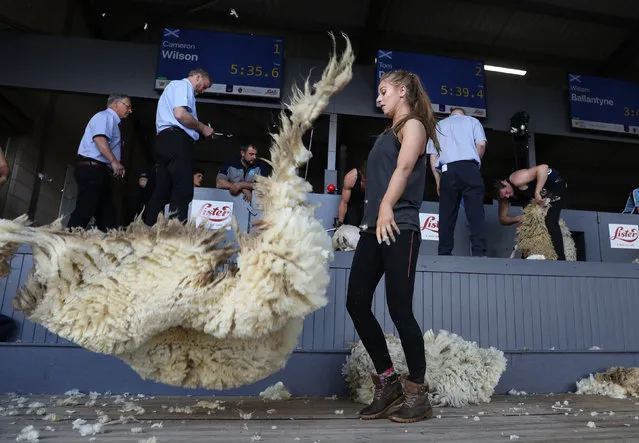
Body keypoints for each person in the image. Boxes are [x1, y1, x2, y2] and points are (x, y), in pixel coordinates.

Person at [346, 70, 440, 424]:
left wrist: (386, 205)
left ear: (403, 91)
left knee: (399, 310)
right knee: (356, 301)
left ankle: (417, 390)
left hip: (399, 226)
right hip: (373, 229)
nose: (378, 98)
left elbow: (404, 168)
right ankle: (388, 382)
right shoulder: (387, 132)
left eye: (383, 91)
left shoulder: (413, 125)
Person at [143, 69, 214, 225]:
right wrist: (203, 128)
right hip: (176, 140)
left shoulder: (174, 89)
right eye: (204, 86)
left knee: (162, 190)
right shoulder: (183, 86)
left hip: (165, 141)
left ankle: (148, 230)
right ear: (198, 77)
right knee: (183, 190)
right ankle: (175, 237)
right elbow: (180, 114)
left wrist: (197, 135)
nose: (203, 91)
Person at [427, 107, 487, 257]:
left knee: (447, 213)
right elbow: (481, 145)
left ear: (450, 115)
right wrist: (474, 162)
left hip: (447, 170)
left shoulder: (438, 126)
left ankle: (444, 253)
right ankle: (479, 252)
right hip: (469, 167)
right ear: (463, 114)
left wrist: (438, 180)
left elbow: (433, 156)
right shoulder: (473, 121)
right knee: (475, 212)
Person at [67, 93, 132, 231]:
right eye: (128, 106)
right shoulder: (104, 117)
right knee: (86, 209)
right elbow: (99, 139)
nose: (130, 110)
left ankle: (107, 246)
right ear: (115, 103)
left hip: (100, 171)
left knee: (107, 216)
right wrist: (114, 161)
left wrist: (113, 165)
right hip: (92, 169)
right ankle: (68, 242)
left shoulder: (113, 122)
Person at [495, 164, 568, 260]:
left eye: (505, 192)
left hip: (554, 184)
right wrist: (519, 218)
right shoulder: (504, 198)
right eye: (503, 196)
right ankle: (526, 257)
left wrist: (537, 192)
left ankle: (561, 259)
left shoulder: (516, 179)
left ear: (504, 182)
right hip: (542, 194)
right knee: (529, 226)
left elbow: (543, 168)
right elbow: (503, 219)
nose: (507, 196)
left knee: (550, 219)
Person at [335, 161, 366, 228]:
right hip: (354, 204)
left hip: (369, 205)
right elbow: (344, 202)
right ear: (360, 173)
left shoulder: (377, 177)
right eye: (364, 178)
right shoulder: (351, 177)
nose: (365, 180)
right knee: (351, 226)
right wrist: (340, 223)